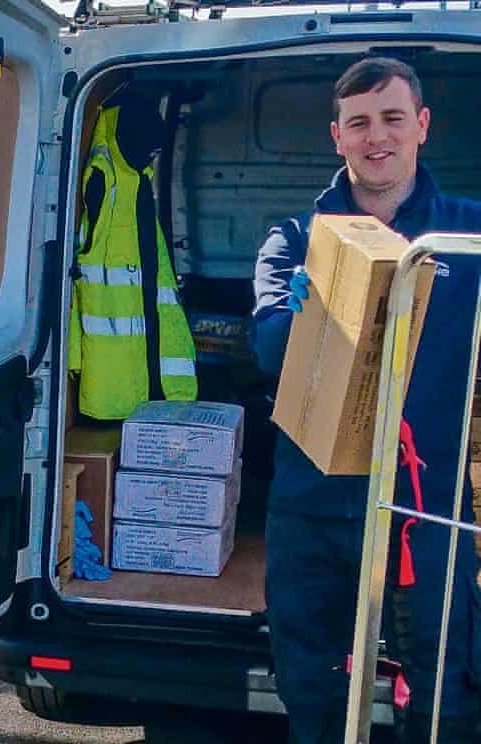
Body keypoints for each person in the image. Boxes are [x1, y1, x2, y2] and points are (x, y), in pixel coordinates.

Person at [253, 57, 481, 743]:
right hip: (312, 505)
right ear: (337, 136)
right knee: (309, 687)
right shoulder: (294, 239)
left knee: (447, 694)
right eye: (359, 123)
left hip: (425, 506)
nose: (375, 136)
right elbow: (266, 350)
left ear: (422, 126)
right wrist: (299, 311)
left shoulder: (467, 236)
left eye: (390, 118)